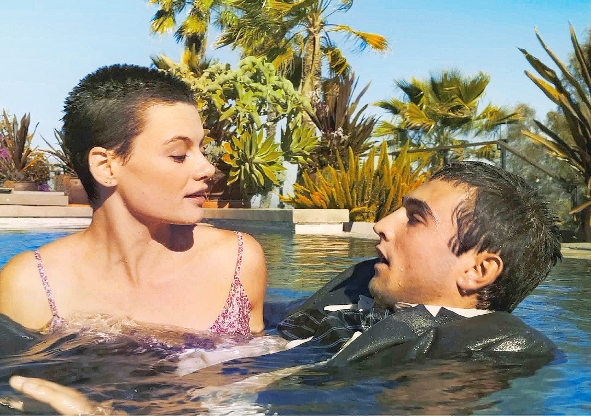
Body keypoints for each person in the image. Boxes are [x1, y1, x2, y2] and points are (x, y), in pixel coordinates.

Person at [7, 161, 562, 413]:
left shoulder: (487, 354)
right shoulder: (365, 299)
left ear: (477, 271)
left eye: (414, 219)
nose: (382, 224)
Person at [0, 64, 267, 336]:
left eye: (202, 149)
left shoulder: (235, 261)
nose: (207, 168)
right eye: (178, 155)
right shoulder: (32, 285)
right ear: (106, 167)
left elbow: (260, 360)